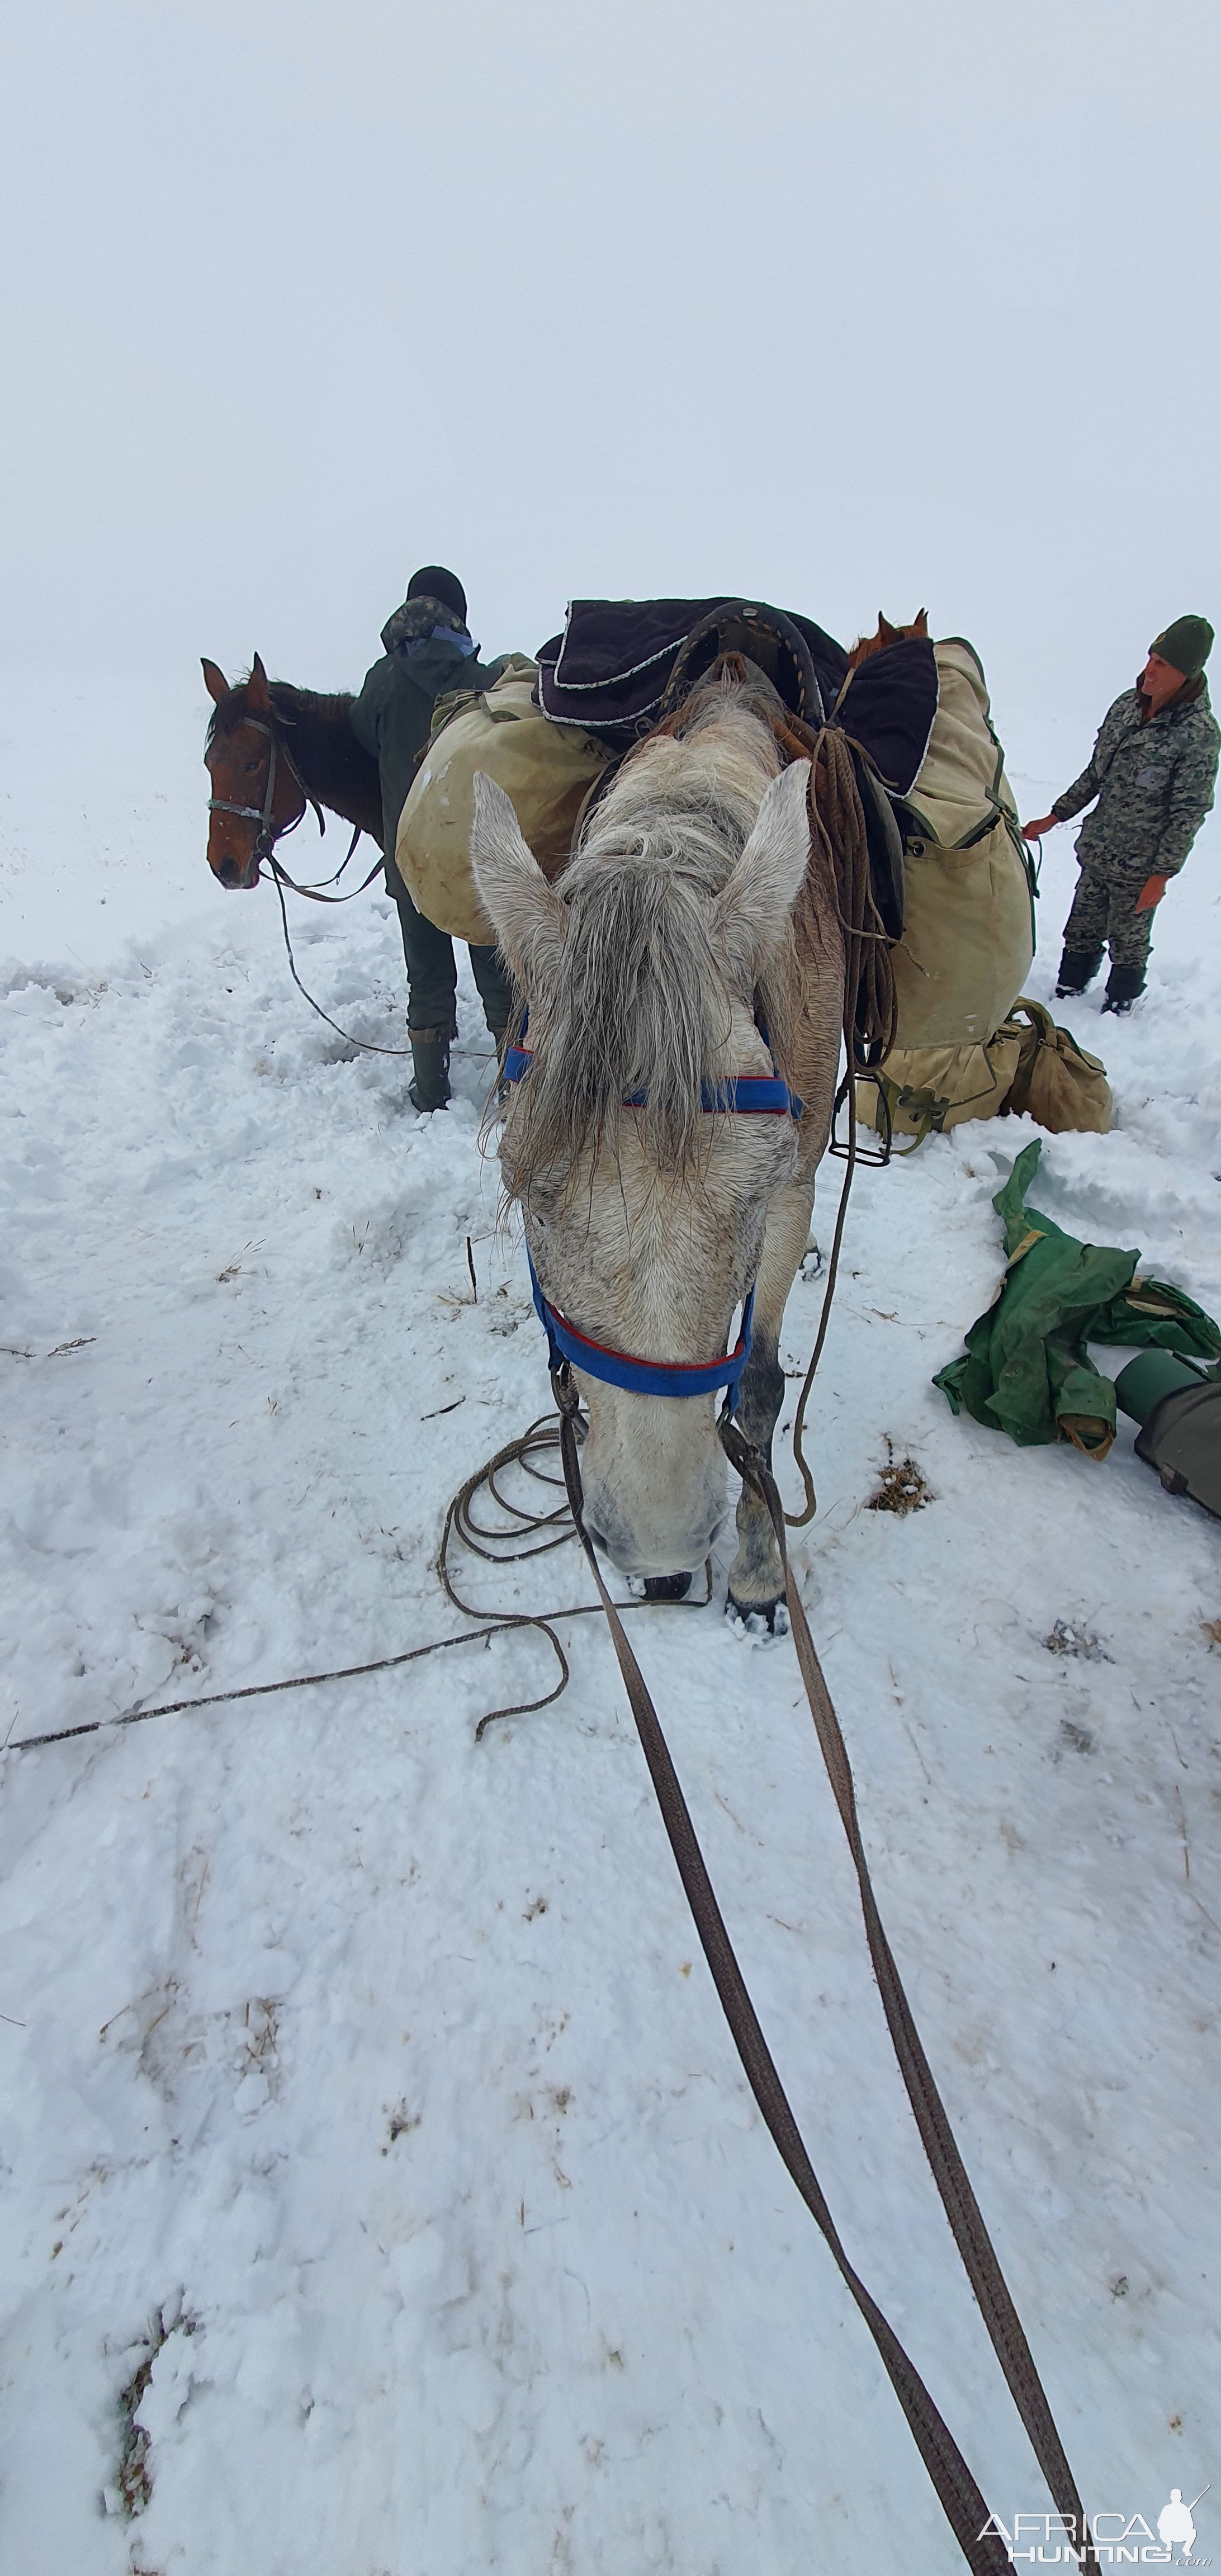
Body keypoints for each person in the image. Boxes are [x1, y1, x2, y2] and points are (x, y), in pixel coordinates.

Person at [350, 566, 514, 1109]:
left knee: (426, 974)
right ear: (456, 616)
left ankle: (430, 1088)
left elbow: (359, 732)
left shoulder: (382, 680)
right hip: (474, 859)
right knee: (498, 978)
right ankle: (517, 1083)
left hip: (412, 857)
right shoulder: (483, 676)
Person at [1023, 616, 1219, 1014]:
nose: (1149, 669)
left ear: (1186, 674)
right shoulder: (1126, 708)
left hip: (1140, 866)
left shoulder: (1198, 734)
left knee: (1128, 944)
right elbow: (1096, 773)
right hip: (1098, 851)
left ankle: (1120, 1008)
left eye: (1162, 664)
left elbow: (1189, 813)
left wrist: (1160, 876)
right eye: (1151, 657)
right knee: (1080, 931)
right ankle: (1069, 992)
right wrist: (1055, 817)